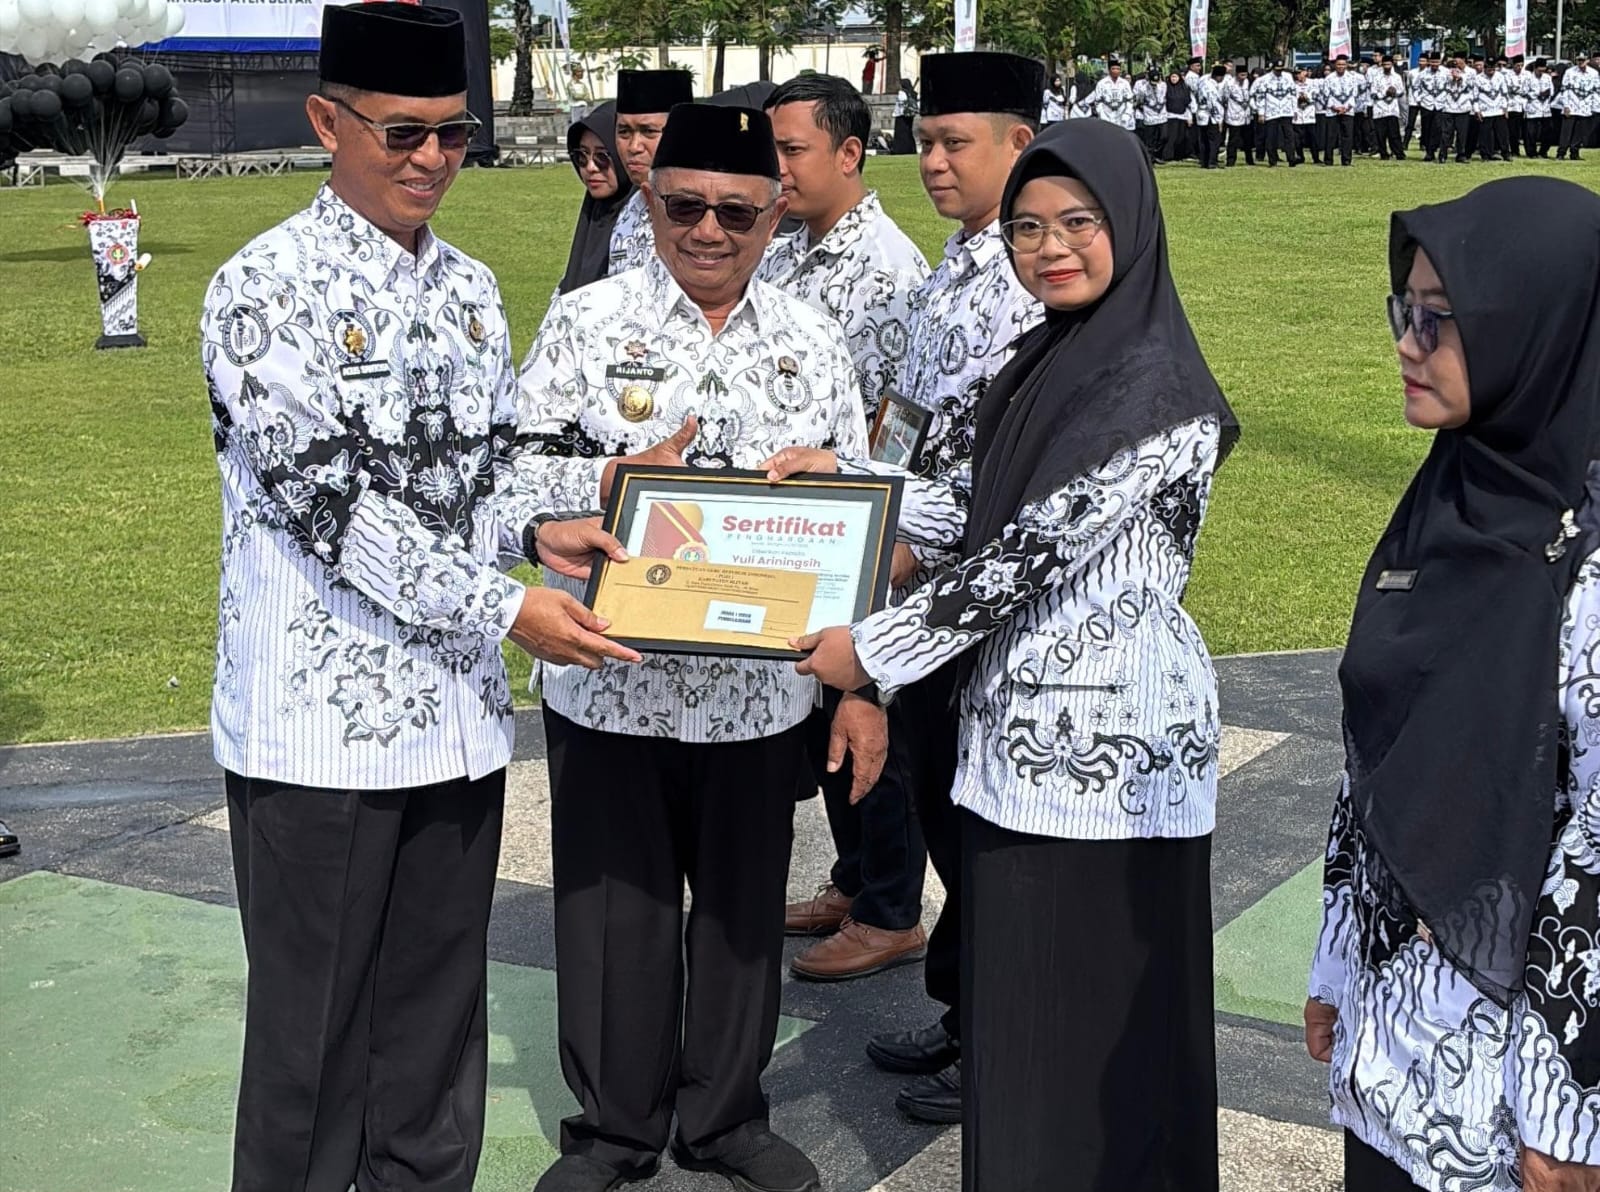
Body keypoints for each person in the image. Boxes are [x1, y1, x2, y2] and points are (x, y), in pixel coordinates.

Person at [198, 6, 642, 1189]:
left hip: (452, 722)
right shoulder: (263, 290)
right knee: (310, 1048)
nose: (432, 159)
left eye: (454, 135)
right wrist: (509, 608)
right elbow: (336, 510)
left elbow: (480, 474)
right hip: (319, 731)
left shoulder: (469, 289)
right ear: (325, 122)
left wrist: (551, 518)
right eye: (403, 133)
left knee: (435, 1037)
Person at [772, 116, 1238, 1192]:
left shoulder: (1156, 392)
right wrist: (852, 480)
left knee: (1097, 1030)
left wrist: (868, 652)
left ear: (1131, 224)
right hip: (1016, 748)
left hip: (1110, 764)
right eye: (1026, 228)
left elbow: (1025, 556)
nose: (1049, 247)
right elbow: (982, 511)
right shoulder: (1049, 360)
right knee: (1027, 1020)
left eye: (1078, 222)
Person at [516, 101, 881, 1192]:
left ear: (774, 211)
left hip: (757, 696)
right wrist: (608, 478)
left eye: (736, 210)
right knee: (612, 913)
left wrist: (863, 687)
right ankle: (614, 1129)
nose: (709, 230)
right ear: (650, 202)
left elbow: (859, 512)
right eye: (684, 206)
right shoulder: (586, 323)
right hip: (610, 679)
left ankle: (724, 1118)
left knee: (738, 913)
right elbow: (509, 471)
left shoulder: (812, 339)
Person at [1305, 176, 1600, 1192]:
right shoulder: (1449, 497)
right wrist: (1336, 956)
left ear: (1538, 333)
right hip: (1392, 1042)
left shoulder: (1585, 561)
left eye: (1441, 318)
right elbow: (1375, 754)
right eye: (1405, 309)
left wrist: (1568, 1102)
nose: (1406, 342)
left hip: (1516, 1090)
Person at [847, 48, 1044, 1128]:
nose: (930, 161)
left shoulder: (1028, 276)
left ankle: (999, 1042)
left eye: (953, 142)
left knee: (982, 835)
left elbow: (998, 473)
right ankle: (966, 1013)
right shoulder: (959, 259)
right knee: (943, 809)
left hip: (976, 597)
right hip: (920, 577)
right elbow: (910, 427)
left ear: (1020, 144)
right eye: (923, 140)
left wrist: (896, 535)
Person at [757, 73, 933, 983]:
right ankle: (855, 876)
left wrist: (892, 543)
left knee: (872, 713)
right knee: (824, 701)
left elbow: (902, 421)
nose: (778, 168)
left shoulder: (889, 269)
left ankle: (892, 908)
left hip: (865, 525)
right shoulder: (791, 247)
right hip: (806, 525)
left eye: (793, 150)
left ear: (850, 152)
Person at [607, 68, 694, 275]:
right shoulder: (631, 208)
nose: (634, 146)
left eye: (648, 132)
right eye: (624, 132)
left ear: (682, 133)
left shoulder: (705, 213)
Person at [558, 100, 632, 295]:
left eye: (602, 157)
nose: (590, 167)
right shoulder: (592, 214)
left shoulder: (645, 224)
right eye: (582, 156)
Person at [1253, 59, 1298, 166]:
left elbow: (1293, 93)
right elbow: (1260, 97)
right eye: (1277, 70)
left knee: (1289, 136)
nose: (1279, 72)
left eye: (1281, 70)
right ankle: (1272, 160)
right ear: (1272, 69)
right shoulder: (1265, 79)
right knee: (1271, 137)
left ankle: (1291, 159)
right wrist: (1261, 112)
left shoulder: (1288, 77)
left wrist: (1294, 109)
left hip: (1286, 110)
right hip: (1271, 110)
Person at [1556, 51, 1597, 160]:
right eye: (1579, 60)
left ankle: (1574, 152)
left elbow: (1596, 91)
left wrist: (1594, 106)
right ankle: (1561, 153)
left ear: (1587, 60)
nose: (1580, 62)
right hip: (1571, 105)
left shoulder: (1593, 73)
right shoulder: (1570, 72)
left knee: (1580, 132)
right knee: (1566, 132)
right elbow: (1564, 89)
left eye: (1583, 60)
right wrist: (1565, 105)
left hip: (1585, 106)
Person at [1321, 55, 1360, 166]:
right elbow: (1326, 95)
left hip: (1348, 110)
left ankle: (1346, 160)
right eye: (1338, 64)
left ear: (1346, 65)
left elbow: (1354, 95)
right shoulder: (1329, 78)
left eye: (1343, 64)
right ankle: (1328, 160)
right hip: (1332, 110)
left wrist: (1347, 108)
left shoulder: (1352, 78)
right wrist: (1334, 107)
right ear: (1335, 65)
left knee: (1347, 136)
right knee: (1331, 136)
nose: (1341, 67)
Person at [1474, 56, 1513, 160]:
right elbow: (1475, 96)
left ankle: (1506, 153)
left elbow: (1504, 94)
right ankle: (1486, 154)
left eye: (1493, 69)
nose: (1491, 71)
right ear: (1485, 68)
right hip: (1485, 110)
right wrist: (1477, 110)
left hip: (1499, 109)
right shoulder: (1478, 78)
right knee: (1485, 134)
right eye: (1488, 69)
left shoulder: (1500, 77)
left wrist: (1505, 108)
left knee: (1502, 134)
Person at [1082, 57, 1136, 132]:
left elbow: (1130, 100)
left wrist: (1127, 114)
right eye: (1113, 69)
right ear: (1109, 70)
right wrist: (1102, 115)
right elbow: (1098, 101)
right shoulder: (1101, 83)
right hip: (1107, 116)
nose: (1116, 71)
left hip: (1122, 116)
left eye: (1118, 69)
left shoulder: (1125, 83)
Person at [1436, 58, 1473, 163]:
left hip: (1463, 108)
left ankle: (1461, 154)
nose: (1456, 68)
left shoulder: (1468, 75)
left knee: (1462, 134)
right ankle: (1443, 154)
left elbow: (1471, 87)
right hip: (1448, 108)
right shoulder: (1444, 75)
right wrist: (1451, 78)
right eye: (1453, 66)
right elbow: (1439, 86)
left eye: (1458, 65)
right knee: (1446, 133)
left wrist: (1460, 78)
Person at [1371, 56, 1407, 159]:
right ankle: (1383, 154)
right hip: (1379, 109)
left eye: (1389, 64)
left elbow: (1401, 91)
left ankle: (1398, 153)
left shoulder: (1397, 77)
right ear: (1382, 65)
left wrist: (1394, 92)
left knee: (1394, 133)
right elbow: (1373, 94)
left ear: (1392, 64)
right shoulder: (1377, 77)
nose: (1387, 66)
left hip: (1392, 109)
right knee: (1381, 134)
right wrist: (1385, 93)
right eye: (1385, 64)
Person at [1161, 67, 1196, 162]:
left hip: (1182, 115)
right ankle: (1168, 156)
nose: (1174, 79)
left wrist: (1189, 116)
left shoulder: (1184, 88)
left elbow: (1188, 103)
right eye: (1172, 77)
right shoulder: (1166, 88)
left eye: (1175, 77)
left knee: (1180, 137)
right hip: (1170, 115)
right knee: (1171, 137)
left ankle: (1179, 155)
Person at [1222, 63, 1255, 165]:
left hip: (1246, 115)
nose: (1243, 77)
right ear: (1237, 74)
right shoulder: (1230, 83)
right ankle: (1231, 160)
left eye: (1245, 75)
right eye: (1241, 75)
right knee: (1233, 139)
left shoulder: (1248, 82)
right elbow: (1225, 98)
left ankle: (1249, 160)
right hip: (1234, 113)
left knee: (1248, 139)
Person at [1195, 63, 1226, 167]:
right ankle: (1212, 162)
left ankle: (1204, 161)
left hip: (1201, 113)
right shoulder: (1212, 87)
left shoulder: (1202, 82)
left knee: (1203, 140)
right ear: (1219, 76)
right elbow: (1213, 104)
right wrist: (1218, 120)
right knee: (1214, 140)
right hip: (1210, 116)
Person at [1134, 65, 1167, 160]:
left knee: (1164, 136)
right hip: (1149, 115)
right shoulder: (1143, 88)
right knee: (1150, 139)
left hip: (1162, 115)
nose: (1154, 84)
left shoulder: (1163, 85)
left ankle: (1157, 153)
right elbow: (1139, 100)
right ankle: (1150, 158)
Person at [1524, 59, 1554, 156]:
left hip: (1545, 108)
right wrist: (1537, 94)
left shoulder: (1547, 77)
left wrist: (1546, 93)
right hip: (1533, 107)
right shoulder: (1528, 78)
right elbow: (1524, 91)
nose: (1541, 72)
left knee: (1548, 131)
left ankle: (1543, 151)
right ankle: (1531, 152)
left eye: (1543, 70)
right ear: (1535, 68)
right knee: (1531, 133)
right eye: (1539, 70)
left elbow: (1552, 91)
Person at [1291, 67, 1318, 164]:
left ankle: (1316, 157)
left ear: (1305, 72)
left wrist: (1308, 97)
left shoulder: (1312, 83)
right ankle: (1300, 156)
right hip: (1297, 113)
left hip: (1309, 112)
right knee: (1298, 138)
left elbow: (1316, 95)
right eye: (1296, 74)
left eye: (1299, 73)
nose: (1297, 75)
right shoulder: (1293, 85)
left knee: (1312, 137)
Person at [892, 78, 919, 153]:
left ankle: (900, 149)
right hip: (910, 115)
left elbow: (901, 104)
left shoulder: (902, 93)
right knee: (908, 132)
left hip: (901, 115)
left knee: (901, 133)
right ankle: (910, 149)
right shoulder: (913, 93)